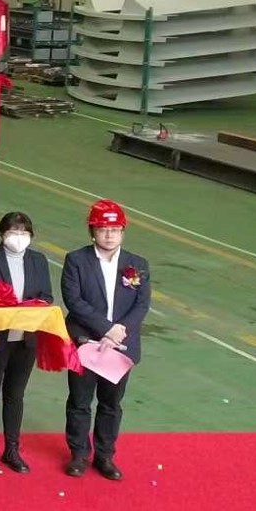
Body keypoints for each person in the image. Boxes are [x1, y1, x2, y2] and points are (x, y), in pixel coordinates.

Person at [61, 199, 150, 481]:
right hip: (86, 342)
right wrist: (106, 328)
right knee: (80, 400)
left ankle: (105, 455)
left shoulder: (137, 264)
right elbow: (74, 301)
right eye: (102, 229)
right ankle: (78, 454)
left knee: (111, 403)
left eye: (114, 229)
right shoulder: (76, 260)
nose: (109, 235)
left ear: (122, 231)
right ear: (92, 232)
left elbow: (141, 304)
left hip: (120, 345)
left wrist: (118, 331)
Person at [0, 211, 50, 474]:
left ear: (31, 236)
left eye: (23, 233)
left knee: (15, 395)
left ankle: (12, 449)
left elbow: (47, 296)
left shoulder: (38, 261)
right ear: (2, 234)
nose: (18, 237)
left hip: (25, 339)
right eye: (13, 232)